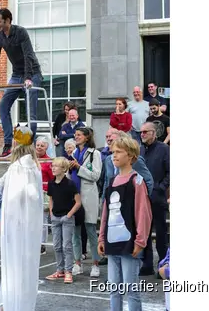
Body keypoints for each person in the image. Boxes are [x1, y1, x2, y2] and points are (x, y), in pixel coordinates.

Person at [98, 134, 152, 311]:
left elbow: (143, 213)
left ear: (130, 156)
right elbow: (106, 212)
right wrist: (101, 238)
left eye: (119, 152)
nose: (114, 155)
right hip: (112, 241)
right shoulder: (112, 181)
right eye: (113, 152)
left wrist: (140, 240)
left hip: (130, 243)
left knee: (131, 289)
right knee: (114, 289)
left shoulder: (137, 181)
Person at [0, 125, 43, 311]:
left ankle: (12, 303)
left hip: (16, 223)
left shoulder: (17, 168)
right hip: (30, 224)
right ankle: (21, 302)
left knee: (14, 264)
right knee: (26, 265)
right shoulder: (35, 167)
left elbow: (13, 196)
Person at [0, 7, 43, 157]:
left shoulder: (20, 32)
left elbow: (28, 55)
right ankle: (8, 143)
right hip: (16, 74)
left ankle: (29, 145)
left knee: (31, 112)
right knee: (3, 105)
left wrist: (28, 77)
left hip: (32, 73)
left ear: (8, 20)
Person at [69, 127, 102, 278]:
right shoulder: (74, 153)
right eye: (75, 135)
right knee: (75, 232)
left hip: (88, 195)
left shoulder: (95, 153)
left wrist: (78, 167)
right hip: (75, 196)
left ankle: (95, 263)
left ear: (87, 137)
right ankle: (77, 263)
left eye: (79, 135)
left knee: (90, 230)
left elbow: (95, 175)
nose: (76, 137)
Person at [139, 122, 170, 276]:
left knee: (161, 233)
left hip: (157, 197)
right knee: (144, 232)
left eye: (145, 132)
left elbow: (170, 172)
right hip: (142, 198)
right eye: (141, 132)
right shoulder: (140, 150)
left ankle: (163, 265)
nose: (142, 134)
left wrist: (161, 187)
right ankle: (146, 265)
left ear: (153, 133)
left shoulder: (164, 149)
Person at [45, 157, 81, 285]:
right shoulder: (51, 183)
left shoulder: (70, 184)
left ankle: (68, 271)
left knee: (67, 246)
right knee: (57, 245)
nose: (53, 168)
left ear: (64, 169)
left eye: (56, 166)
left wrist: (69, 215)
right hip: (55, 217)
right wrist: (51, 213)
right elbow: (51, 199)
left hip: (67, 218)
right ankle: (60, 270)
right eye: (52, 166)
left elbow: (78, 202)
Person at [101, 129, 154, 201]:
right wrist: (104, 201)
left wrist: (142, 200)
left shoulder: (135, 160)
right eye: (108, 139)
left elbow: (148, 181)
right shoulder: (108, 160)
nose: (110, 142)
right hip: (112, 203)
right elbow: (107, 182)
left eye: (113, 140)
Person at [36, 136, 54, 254]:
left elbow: (52, 178)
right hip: (33, 191)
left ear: (46, 147)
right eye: (38, 145)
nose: (39, 147)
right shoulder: (32, 159)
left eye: (42, 145)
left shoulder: (48, 161)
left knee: (43, 219)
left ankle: (42, 243)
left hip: (44, 191)